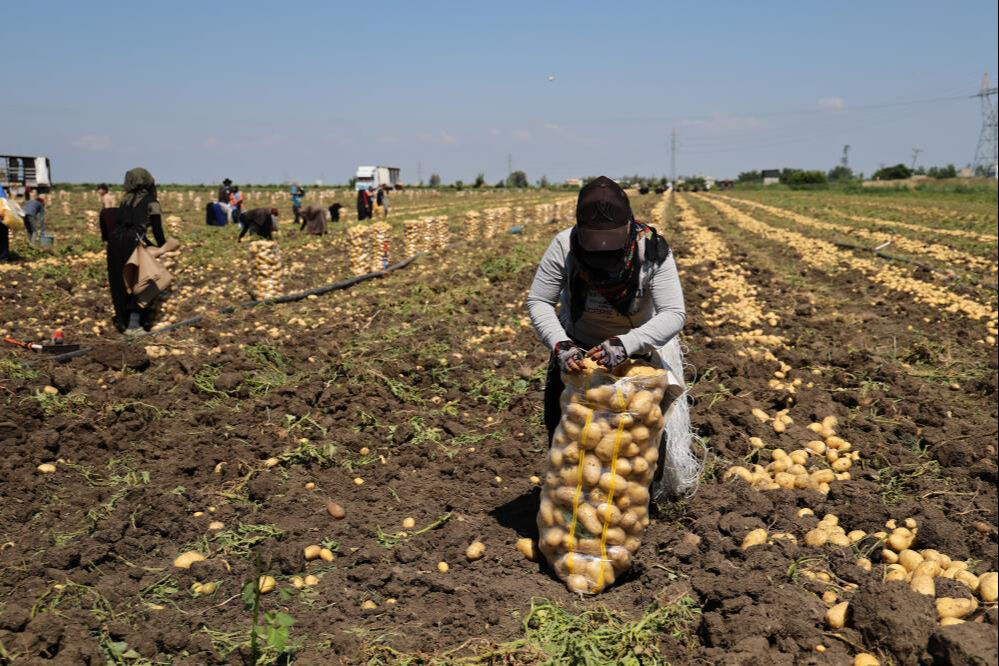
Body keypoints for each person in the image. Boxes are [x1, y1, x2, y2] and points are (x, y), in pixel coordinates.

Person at [526, 176, 687, 491]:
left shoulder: (653, 250)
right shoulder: (564, 245)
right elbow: (540, 301)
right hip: (578, 355)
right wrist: (562, 346)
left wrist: (624, 344)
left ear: (629, 227)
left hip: (637, 354)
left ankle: (636, 507)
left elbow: (673, 313)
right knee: (570, 439)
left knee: (639, 446)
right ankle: (574, 508)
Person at [106, 168, 166, 332]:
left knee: (119, 279)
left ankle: (122, 320)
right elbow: (157, 229)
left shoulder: (126, 199)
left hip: (114, 242)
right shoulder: (152, 202)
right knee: (140, 280)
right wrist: (162, 247)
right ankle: (135, 323)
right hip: (132, 242)